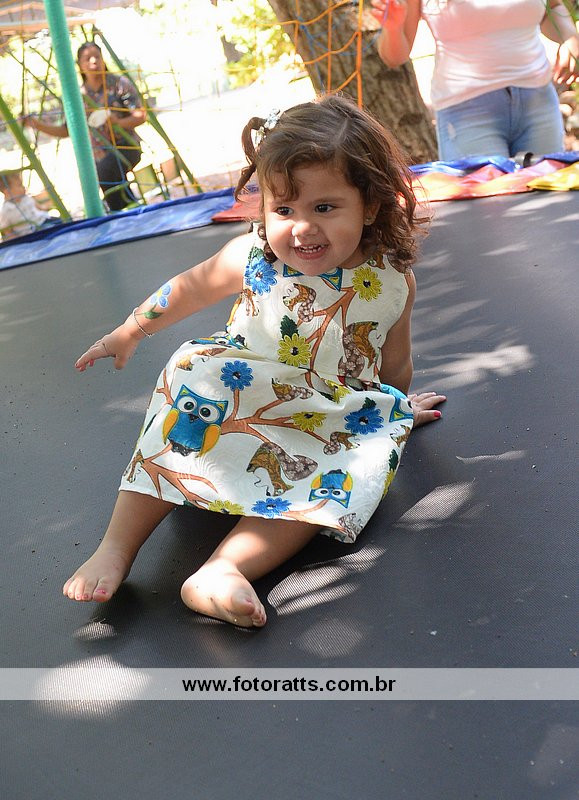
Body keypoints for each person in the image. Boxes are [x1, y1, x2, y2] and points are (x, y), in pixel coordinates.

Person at [63, 94, 446, 627]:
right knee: (186, 395)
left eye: (324, 208)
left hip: (320, 415)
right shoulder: (255, 256)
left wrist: (394, 412)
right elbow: (189, 289)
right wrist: (129, 331)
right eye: (284, 209)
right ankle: (116, 547)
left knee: (337, 477)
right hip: (237, 389)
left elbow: (394, 362)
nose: (302, 228)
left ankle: (224, 570)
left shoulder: (390, 280)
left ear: (371, 206)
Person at [370, 0, 579, 159]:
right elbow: (394, 57)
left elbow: (553, 8)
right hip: (466, 113)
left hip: (538, 102)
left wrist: (570, 39)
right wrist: (393, 28)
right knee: (487, 201)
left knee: (547, 196)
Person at [24, 42, 145, 211]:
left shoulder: (119, 84)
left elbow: (140, 115)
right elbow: (66, 130)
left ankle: (123, 211)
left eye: (97, 56)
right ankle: (128, 209)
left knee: (106, 170)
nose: (94, 61)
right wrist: (37, 125)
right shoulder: (77, 96)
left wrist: (118, 123)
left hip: (126, 146)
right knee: (103, 176)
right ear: (80, 65)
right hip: (99, 155)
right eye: (88, 58)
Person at [0, 170, 53, 240]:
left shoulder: (26, 198)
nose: (23, 187)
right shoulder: (6, 210)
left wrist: (47, 207)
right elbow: (7, 231)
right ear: (7, 191)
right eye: (20, 185)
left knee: (61, 223)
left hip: (45, 220)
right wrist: (18, 241)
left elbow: (40, 207)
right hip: (32, 232)